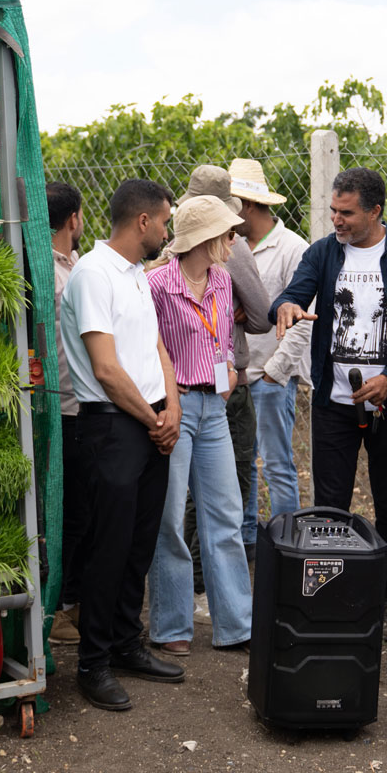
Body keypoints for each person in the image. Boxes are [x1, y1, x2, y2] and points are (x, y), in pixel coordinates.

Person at [271, 167, 387, 641]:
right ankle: (332, 595)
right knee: (329, 507)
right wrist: (284, 306)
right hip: (334, 404)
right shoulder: (323, 254)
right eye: (333, 212)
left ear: (375, 211)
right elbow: (293, 294)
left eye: (346, 213)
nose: (337, 221)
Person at [58, 178, 185, 711]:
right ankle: (93, 664)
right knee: (106, 549)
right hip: (111, 426)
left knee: (139, 542)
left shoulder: (135, 274)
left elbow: (156, 345)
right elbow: (106, 369)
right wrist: (152, 418)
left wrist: (171, 407)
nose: (166, 230)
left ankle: (127, 643)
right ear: (142, 223)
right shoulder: (92, 274)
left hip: (148, 422)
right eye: (164, 222)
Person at [146, 195, 256, 655]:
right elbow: (149, 347)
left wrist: (228, 367)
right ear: (206, 239)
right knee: (170, 518)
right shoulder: (156, 285)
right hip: (176, 407)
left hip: (214, 408)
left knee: (226, 514)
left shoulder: (224, 281)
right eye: (228, 234)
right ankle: (171, 626)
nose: (235, 241)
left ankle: (237, 625)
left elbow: (223, 339)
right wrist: (169, 400)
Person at [176, 165, 270, 615]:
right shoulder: (233, 254)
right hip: (224, 387)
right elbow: (260, 316)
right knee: (227, 486)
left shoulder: (166, 262)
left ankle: (194, 587)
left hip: (181, 385)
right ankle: (204, 586)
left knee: (189, 491)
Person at [232, 157, 310, 544]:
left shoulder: (292, 248)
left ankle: (284, 543)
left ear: (246, 205)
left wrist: (277, 372)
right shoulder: (230, 246)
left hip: (270, 375)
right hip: (238, 375)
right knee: (243, 464)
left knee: (277, 464)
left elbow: (302, 321)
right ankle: (247, 538)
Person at [46, 181, 85, 645]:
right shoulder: (51, 271)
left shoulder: (76, 264)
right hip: (61, 407)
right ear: (73, 219)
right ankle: (56, 611)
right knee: (64, 514)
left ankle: (72, 602)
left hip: (81, 404)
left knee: (81, 512)